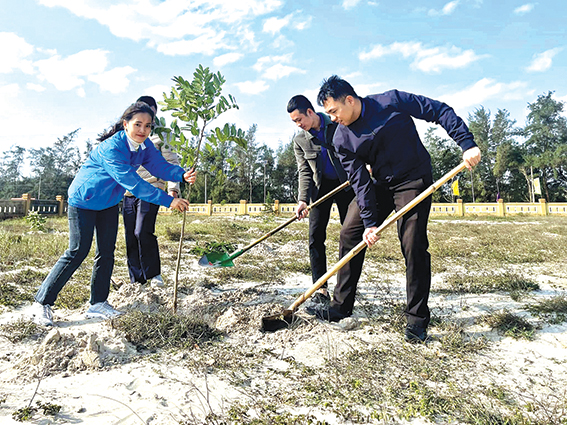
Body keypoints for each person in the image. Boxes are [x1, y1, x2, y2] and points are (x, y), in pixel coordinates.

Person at [313, 75, 481, 342]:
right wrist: (369, 222)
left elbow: (439, 110)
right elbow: (360, 182)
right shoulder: (342, 138)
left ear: (349, 99)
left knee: (412, 243)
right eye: (328, 114)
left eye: (333, 111)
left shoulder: (391, 102)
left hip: (413, 179)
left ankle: (416, 319)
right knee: (349, 233)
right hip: (380, 184)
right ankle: (340, 306)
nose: (332, 118)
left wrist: (466, 143)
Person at [30, 102, 197, 326]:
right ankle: (42, 303)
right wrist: (169, 200)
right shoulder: (112, 149)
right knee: (78, 250)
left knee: (106, 252)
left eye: (148, 126)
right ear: (125, 124)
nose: (143, 130)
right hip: (84, 200)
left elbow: (159, 167)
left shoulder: (144, 146)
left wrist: (182, 174)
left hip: (108, 203)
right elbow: (134, 184)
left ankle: (98, 303)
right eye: (138, 124)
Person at [287, 95, 354, 304]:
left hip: (346, 185)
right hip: (320, 188)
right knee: (315, 238)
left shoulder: (337, 123)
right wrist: (302, 200)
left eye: (299, 120)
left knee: (350, 236)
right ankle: (320, 288)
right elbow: (304, 171)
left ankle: (347, 287)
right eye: (294, 123)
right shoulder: (300, 140)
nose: (299, 125)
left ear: (310, 112)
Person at [122, 96, 181, 287]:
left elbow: (171, 162)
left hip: (153, 188)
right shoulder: (128, 135)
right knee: (130, 234)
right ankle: (136, 279)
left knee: (143, 231)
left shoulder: (162, 135)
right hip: (130, 191)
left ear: (155, 113)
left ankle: (154, 274)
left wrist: (173, 188)